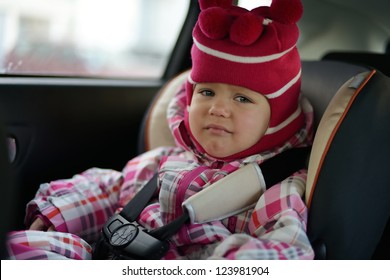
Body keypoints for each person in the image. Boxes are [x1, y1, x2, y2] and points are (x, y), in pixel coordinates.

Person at [6, 0, 315, 260]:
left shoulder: (274, 186)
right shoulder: (166, 159)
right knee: (20, 248)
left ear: (278, 117)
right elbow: (111, 188)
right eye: (206, 92)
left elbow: (285, 249)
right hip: (112, 254)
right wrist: (59, 213)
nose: (218, 108)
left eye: (242, 98)